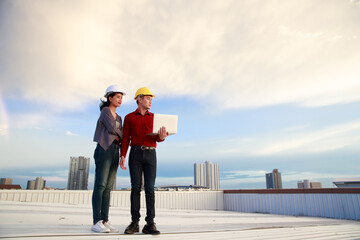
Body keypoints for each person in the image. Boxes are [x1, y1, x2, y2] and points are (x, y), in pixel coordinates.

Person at [120, 87, 169, 235]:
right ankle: (134, 222)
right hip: (135, 154)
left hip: (150, 154)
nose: (150, 101)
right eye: (148, 98)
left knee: (149, 188)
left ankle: (150, 223)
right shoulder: (129, 117)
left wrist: (162, 137)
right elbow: (125, 138)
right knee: (135, 188)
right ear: (139, 99)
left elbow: (157, 138)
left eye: (151, 99)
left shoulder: (155, 117)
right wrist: (123, 155)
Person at [91, 85, 126, 233]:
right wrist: (123, 134)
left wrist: (121, 135)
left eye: (121, 98)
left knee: (108, 187)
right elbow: (112, 128)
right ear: (109, 98)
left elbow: (119, 132)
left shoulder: (119, 117)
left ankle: (105, 220)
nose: (120, 100)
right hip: (104, 149)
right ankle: (96, 221)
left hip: (115, 151)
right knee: (101, 184)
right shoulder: (105, 111)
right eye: (117, 97)